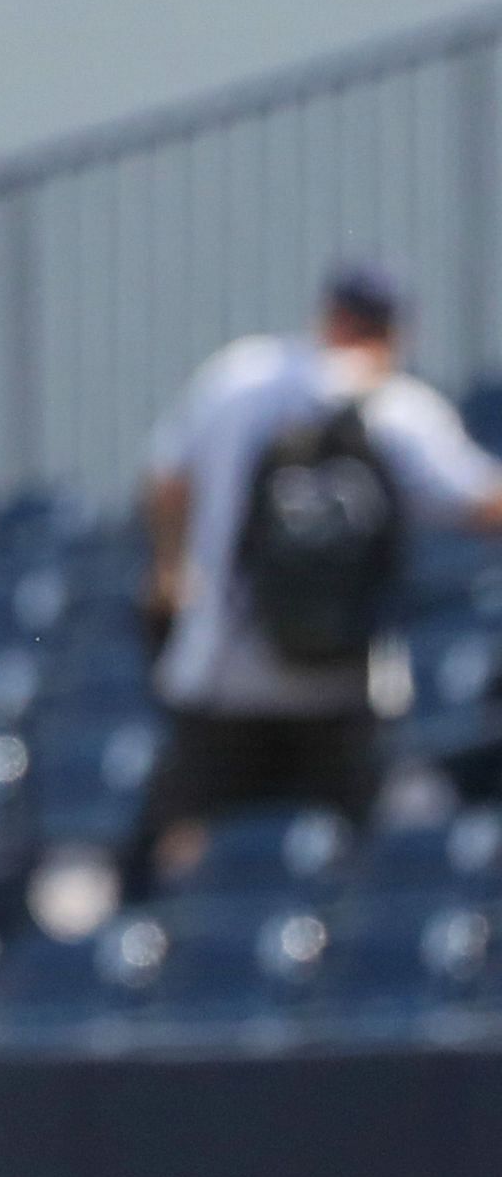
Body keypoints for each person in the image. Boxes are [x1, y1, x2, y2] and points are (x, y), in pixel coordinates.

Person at [135, 261, 502, 884]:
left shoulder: (237, 376)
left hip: (225, 670)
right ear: (391, 331)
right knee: (363, 871)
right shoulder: (398, 405)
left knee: (172, 860)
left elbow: (166, 481)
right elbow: (482, 504)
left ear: (327, 315)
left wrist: (170, 572)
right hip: (345, 683)